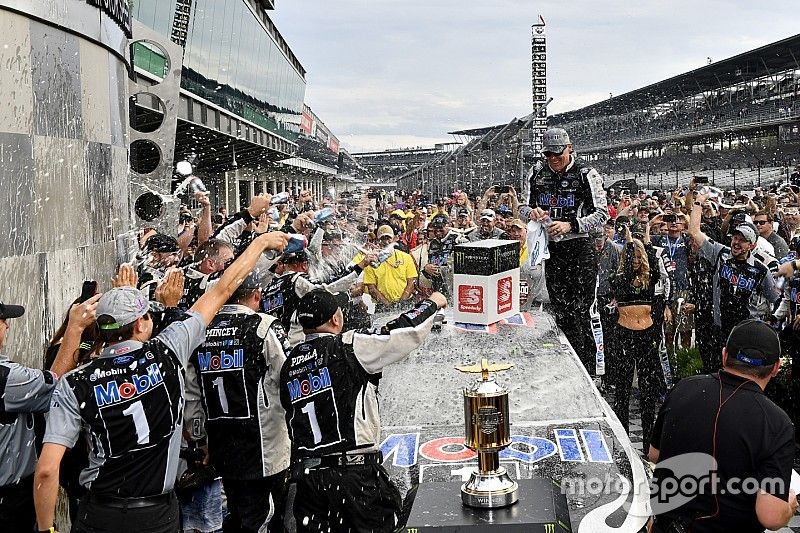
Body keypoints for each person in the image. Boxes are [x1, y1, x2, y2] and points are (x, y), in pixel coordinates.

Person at [34, 231, 289, 533]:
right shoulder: (167, 351)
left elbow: (47, 470)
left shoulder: (76, 382)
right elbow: (223, 289)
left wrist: (46, 529)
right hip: (155, 513)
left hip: (100, 513)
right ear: (141, 323)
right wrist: (259, 244)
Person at [280, 288, 447, 532]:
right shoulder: (347, 346)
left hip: (309, 482)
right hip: (353, 478)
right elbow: (405, 331)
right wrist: (432, 303)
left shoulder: (288, 364)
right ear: (336, 319)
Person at [649, 320, 798, 533]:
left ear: (725, 355)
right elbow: (771, 516)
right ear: (775, 368)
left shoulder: (683, 388)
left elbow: (654, 455)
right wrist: (789, 505)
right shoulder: (776, 422)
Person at [188, 271, 291, 533]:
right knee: (263, 520)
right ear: (256, 295)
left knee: (238, 513)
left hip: (222, 445)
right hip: (264, 450)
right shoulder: (263, 327)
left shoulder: (201, 331)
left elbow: (192, 393)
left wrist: (201, 440)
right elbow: (287, 379)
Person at [0, 298, 95, 532]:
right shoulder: (6, 378)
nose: (8, 326)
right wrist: (75, 328)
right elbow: (56, 387)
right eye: (3, 321)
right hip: (9, 500)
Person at [524, 127, 609, 372]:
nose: (553, 159)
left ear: (569, 148)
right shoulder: (536, 173)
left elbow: (602, 214)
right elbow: (522, 208)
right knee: (560, 309)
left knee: (583, 310)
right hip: (552, 249)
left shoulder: (586, 173)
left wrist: (571, 225)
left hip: (580, 247)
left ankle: (590, 369)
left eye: (557, 154)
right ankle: (567, 365)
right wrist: (532, 213)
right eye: (548, 154)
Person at [688, 192, 780, 372]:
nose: (736, 243)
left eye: (742, 240)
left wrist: (771, 324)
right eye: (735, 238)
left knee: (742, 371)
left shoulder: (761, 269)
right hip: (720, 327)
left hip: (746, 331)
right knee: (718, 368)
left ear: (752, 245)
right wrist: (698, 202)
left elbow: (776, 298)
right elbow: (694, 231)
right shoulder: (720, 253)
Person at [608, 235, 664, 451]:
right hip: (624, 335)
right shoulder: (618, 278)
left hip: (646, 335)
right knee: (622, 389)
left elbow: (654, 266)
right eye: (633, 257)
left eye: (640, 258)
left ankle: (649, 442)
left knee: (648, 390)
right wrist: (630, 245)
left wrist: (646, 244)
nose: (636, 261)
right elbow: (625, 276)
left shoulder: (650, 277)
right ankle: (623, 442)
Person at [363, 225, 418, 307]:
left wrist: (402, 302)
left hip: (406, 302)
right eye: (382, 238)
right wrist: (388, 305)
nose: (386, 241)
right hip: (383, 306)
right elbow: (372, 288)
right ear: (377, 241)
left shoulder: (406, 257)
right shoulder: (371, 261)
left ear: (394, 239)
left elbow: (411, 282)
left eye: (388, 238)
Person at [178, 238, 235, 309]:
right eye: (228, 262)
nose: (231, 265)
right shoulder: (210, 284)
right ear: (210, 264)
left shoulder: (180, 275)